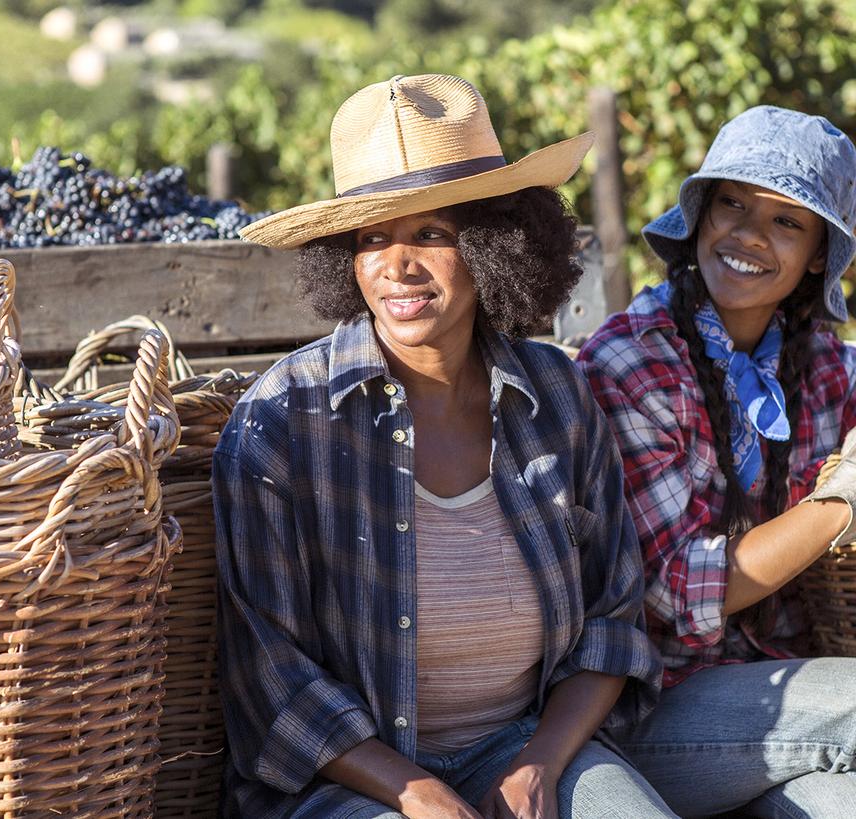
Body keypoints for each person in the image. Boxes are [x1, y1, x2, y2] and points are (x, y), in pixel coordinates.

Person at [213, 73, 670, 819]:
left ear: (495, 247)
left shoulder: (557, 397)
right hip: (346, 783)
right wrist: (419, 793)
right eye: (372, 239)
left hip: (524, 742)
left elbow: (612, 619)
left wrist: (538, 764)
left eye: (431, 233)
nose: (397, 266)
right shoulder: (280, 426)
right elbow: (270, 674)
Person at [577, 105, 856, 816]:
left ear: (820, 254)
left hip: (778, 696)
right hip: (655, 707)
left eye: (785, 221)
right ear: (701, 215)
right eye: (732, 203)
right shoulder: (632, 363)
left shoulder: (820, 362)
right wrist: (842, 500)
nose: (747, 234)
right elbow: (675, 590)